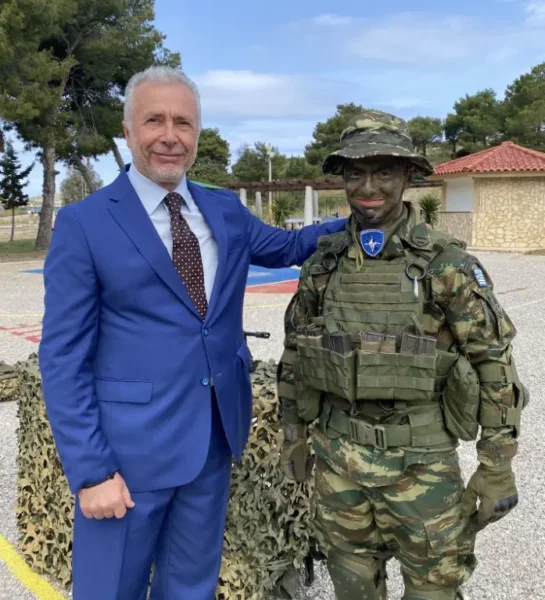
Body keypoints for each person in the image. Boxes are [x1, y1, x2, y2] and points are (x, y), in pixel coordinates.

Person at [38, 66, 347, 600]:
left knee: (190, 589)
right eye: (154, 120)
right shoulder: (85, 224)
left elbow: (289, 247)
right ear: (128, 130)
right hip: (126, 458)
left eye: (183, 123)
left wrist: (366, 219)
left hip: (211, 444)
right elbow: (63, 358)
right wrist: (91, 471)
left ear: (197, 133)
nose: (170, 136)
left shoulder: (223, 209)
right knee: (109, 590)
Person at [278, 110, 527, 600]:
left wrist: (496, 466)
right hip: (338, 466)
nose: (368, 187)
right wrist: (294, 437)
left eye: (384, 172)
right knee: (352, 588)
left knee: (434, 591)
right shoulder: (323, 264)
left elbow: (494, 366)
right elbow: (296, 356)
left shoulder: (446, 265)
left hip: (422, 470)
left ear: (408, 176)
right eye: (355, 173)